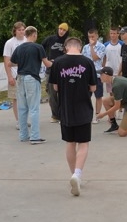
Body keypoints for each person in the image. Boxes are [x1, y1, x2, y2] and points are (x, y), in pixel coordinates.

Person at [48, 36, 97, 196]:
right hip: (83, 107)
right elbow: (93, 87)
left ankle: (74, 175)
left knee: (70, 143)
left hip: (66, 108)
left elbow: (55, 87)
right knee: (83, 143)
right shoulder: (88, 62)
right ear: (80, 48)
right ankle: (77, 174)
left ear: (66, 47)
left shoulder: (58, 63)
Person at [11, 26, 53, 143]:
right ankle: (35, 136)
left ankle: (23, 135)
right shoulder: (38, 47)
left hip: (20, 77)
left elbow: (11, 62)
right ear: (34, 34)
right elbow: (47, 63)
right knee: (34, 108)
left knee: (22, 107)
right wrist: (54, 63)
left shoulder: (19, 48)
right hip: (32, 77)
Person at [42, 23, 70, 122]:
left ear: (67, 32)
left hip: (64, 71)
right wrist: (46, 60)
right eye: (60, 29)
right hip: (51, 70)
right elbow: (41, 48)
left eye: (64, 30)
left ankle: (64, 114)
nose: (61, 31)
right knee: (52, 94)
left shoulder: (68, 41)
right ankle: (55, 115)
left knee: (64, 93)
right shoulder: (50, 39)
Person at [2, 21, 26, 129]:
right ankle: (18, 121)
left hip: (26, 73)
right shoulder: (10, 43)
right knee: (16, 98)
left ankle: (24, 119)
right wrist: (9, 77)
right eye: (19, 30)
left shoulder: (27, 41)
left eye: (23, 29)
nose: (21, 32)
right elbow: (7, 60)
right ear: (15, 31)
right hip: (14, 73)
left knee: (25, 98)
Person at [84, 28, 107, 123]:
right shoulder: (85, 47)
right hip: (87, 75)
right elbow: (83, 59)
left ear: (97, 36)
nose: (91, 38)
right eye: (89, 36)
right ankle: (87, 114)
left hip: (97, 74)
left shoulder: (101, 47)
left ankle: (97, 115)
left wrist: (92, 47)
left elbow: (95, 58)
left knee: (98, 96)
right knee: (86, 96)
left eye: (93, 36)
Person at [101, 27, 123, 124]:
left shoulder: (122, 45)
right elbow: (104, 58)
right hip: (109, 72)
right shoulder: (106, 45)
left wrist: (121, 71)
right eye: (111, 33)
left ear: (118, 34)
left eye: (114, 33)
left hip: (119, 72)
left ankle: (120, 110)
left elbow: (123, 58)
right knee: (111, 93)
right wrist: (103, 68)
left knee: (119, 93)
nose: (113, 35)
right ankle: (112, 113)